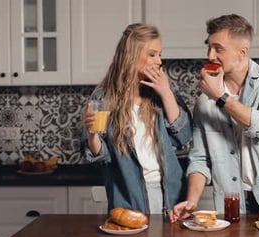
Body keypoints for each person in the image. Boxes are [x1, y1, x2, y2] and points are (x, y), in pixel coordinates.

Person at [170, 14, 259, 222]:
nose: (210, 55)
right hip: (233, 204)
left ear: (242, 52)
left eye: (218, 48)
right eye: (209, 46)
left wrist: (221, 97)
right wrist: (192, 200)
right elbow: (199, 159)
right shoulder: (204, 102)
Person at [82, 23, 192, 218]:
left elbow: (183, 137)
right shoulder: (103, 98)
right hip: (128, 198)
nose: (159, 61)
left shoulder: (161, 92)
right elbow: (100, 157)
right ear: (131, 55)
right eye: (152, 54)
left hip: (171, 196)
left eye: (159, 54)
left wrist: (166, 92)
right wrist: (91, 134)